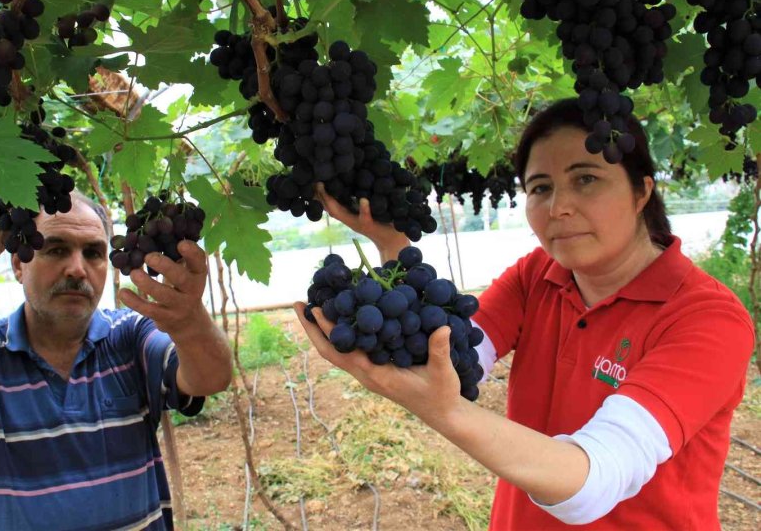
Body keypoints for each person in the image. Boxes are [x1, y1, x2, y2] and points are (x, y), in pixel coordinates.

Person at [295, 98, 754, 529]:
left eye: (586, 178)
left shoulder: (707, 320)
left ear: (641, 192)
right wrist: (391, 243)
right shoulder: (539, 275)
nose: (559, 207)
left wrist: (446, 412)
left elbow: (594, 480)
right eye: (540, 188)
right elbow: (449, 358)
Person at [0, 190, 232, 531]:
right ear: (19, 266)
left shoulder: (130, 339)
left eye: (93, 252)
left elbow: (211, 377)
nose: (76, 268)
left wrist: (190, 321)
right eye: (55, 249)